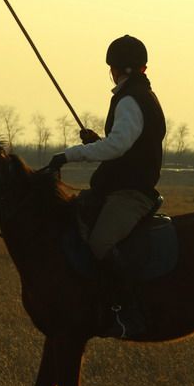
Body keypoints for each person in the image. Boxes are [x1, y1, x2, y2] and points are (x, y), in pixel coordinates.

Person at [47, 35, 166, 338]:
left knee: (100, 244)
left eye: (111, 68)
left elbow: (119, 146)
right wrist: (98, 143)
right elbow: (124, 146)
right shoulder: (139, 95)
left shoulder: (130, 99)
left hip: (130, 194)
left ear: (117, 69)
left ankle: (128, 312)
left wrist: (69, 155)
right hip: (118, 188)